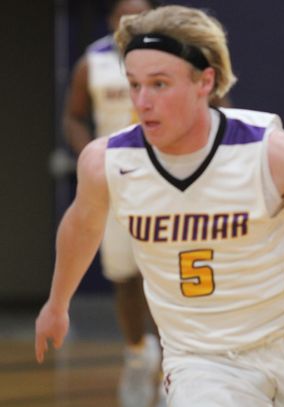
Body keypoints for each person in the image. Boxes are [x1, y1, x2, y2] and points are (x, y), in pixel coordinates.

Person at [36, 4, 284, 406]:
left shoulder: (269, 151)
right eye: (134, 84)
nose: (142, 101)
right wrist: (57, 304)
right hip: (202, 361)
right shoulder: (107, 161)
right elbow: (82, 226)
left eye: (160, 84)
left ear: (205, 81)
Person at [61, 1, 164, 406]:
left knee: (166, 275)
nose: (133, 23)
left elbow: (217, 106)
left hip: (168, 180)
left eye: (141, 15)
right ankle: (138, 356)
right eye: (125, 16)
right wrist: (91, 158)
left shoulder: (175, 55)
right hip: (118, 181)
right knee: (124, 277)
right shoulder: (93, 61)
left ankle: (177, 364)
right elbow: (73, 117)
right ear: (111, 21)